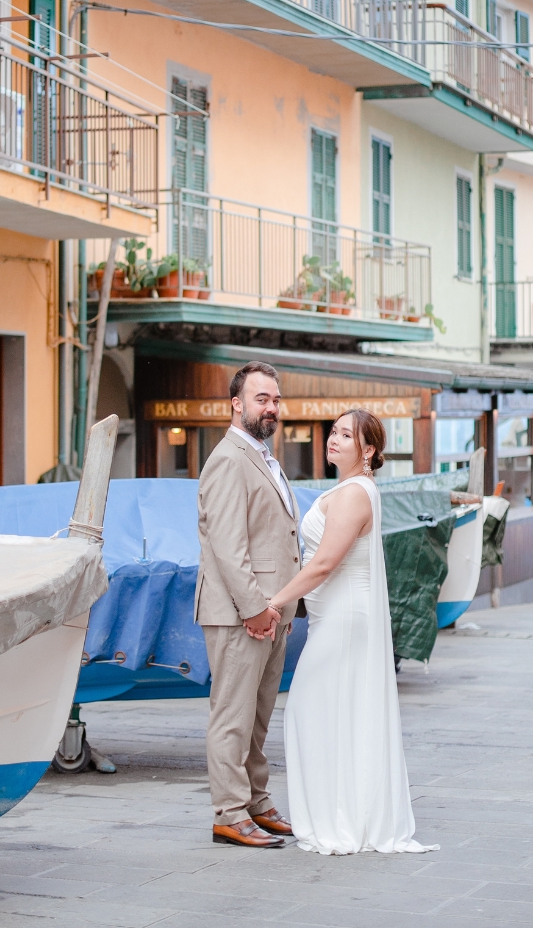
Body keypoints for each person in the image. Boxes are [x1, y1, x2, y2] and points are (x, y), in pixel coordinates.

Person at [269, 409, 438, 856]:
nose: (334, 439)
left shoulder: (352, 495)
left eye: (347, 435)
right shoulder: (349, 489)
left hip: (344, 617)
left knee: (312, 710)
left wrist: (274, 602)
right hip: (336, 616)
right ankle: (343, 812)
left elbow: (325, 564)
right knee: (331, 715)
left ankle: (339, 819)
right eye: (334, 432)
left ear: (369, 451)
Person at [195, 362, 300, 849]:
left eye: (275, 400)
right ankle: (229, 814)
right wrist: (255, 608)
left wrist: (279, 608)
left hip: (272, 614)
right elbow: (228, 546)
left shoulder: (264, 457)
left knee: (257, 718)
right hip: (241, 616)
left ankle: (256, 801)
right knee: (232, 717)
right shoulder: (228, 459)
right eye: (262, 399)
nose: (271, 408)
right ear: (236, 404)